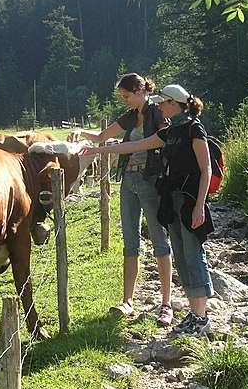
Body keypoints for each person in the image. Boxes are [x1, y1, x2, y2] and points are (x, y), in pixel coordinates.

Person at [81, 84, 214, 337]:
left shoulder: (194, 129)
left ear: (174, 104)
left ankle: (201, 315)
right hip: (172, 200)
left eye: (163, 103)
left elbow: (205, 169)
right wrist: (100, 150)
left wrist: (199, 206)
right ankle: (194, 313)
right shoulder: (171, 130)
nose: (159, 107)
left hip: (188, 200)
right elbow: (135, 146)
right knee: (183, 254)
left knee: (193, 252)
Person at [70, 73, 173, 326]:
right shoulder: (131, 116)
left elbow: (151, 143)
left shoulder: (157, 113)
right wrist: (81, 131)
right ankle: (128, 301)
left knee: (160, 241)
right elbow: (101, 136)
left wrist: (102, 150)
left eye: (126, 96)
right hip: (128, 182)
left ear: (140, 91)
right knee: (130, 241)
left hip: (150, 182)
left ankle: (166, 304)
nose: (124, 101)